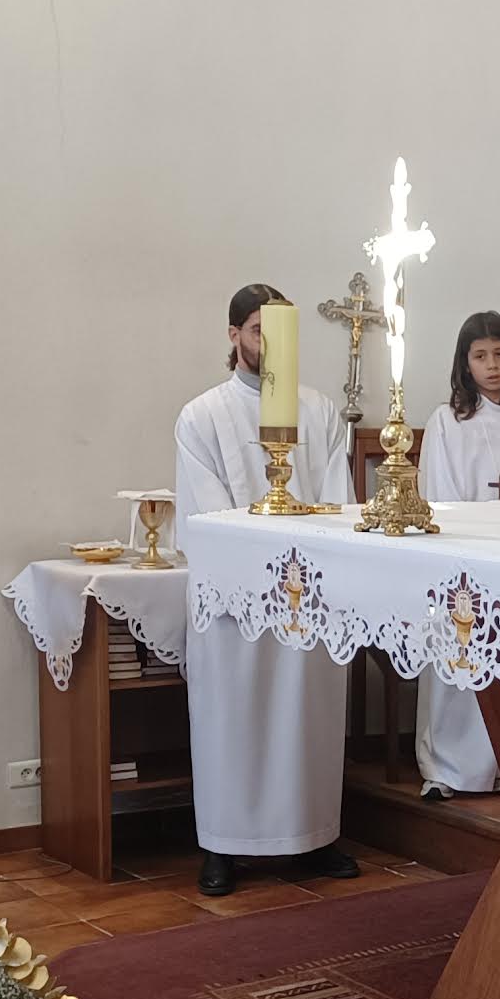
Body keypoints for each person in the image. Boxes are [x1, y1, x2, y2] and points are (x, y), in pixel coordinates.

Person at [175, 285, 359, 894]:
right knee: (232, 718)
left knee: (307, 717)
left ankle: (314, 835)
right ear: (233, 337)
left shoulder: (320, 411)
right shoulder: (202, 416)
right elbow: (204, 514)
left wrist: (308, 568)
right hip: (234, 599)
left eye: (279, 331)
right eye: (258, 330)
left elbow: (337, 500)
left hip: (310, 595)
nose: (269, 343)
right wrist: (262, 568)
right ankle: (223, 845)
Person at [416, 312, 500, 796]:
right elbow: (440, 495)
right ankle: (447, 768)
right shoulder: (447, 423)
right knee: (457, 658)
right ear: (465, 363)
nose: (492, 365)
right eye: (480, 356)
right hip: (460, 560)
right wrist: (473, 545)